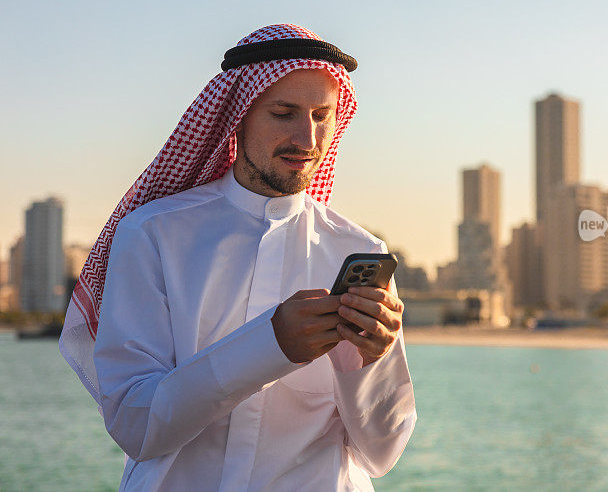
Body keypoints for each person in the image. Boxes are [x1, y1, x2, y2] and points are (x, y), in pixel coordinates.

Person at [58, 24, 417, 491]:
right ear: (238, 115)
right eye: (284, 113)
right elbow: (136, 426)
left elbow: (381, 453)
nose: (307, 139)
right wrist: (271, 345)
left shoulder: (359, 252)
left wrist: (371, 362)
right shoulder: (155, 234)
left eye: (321, 116)